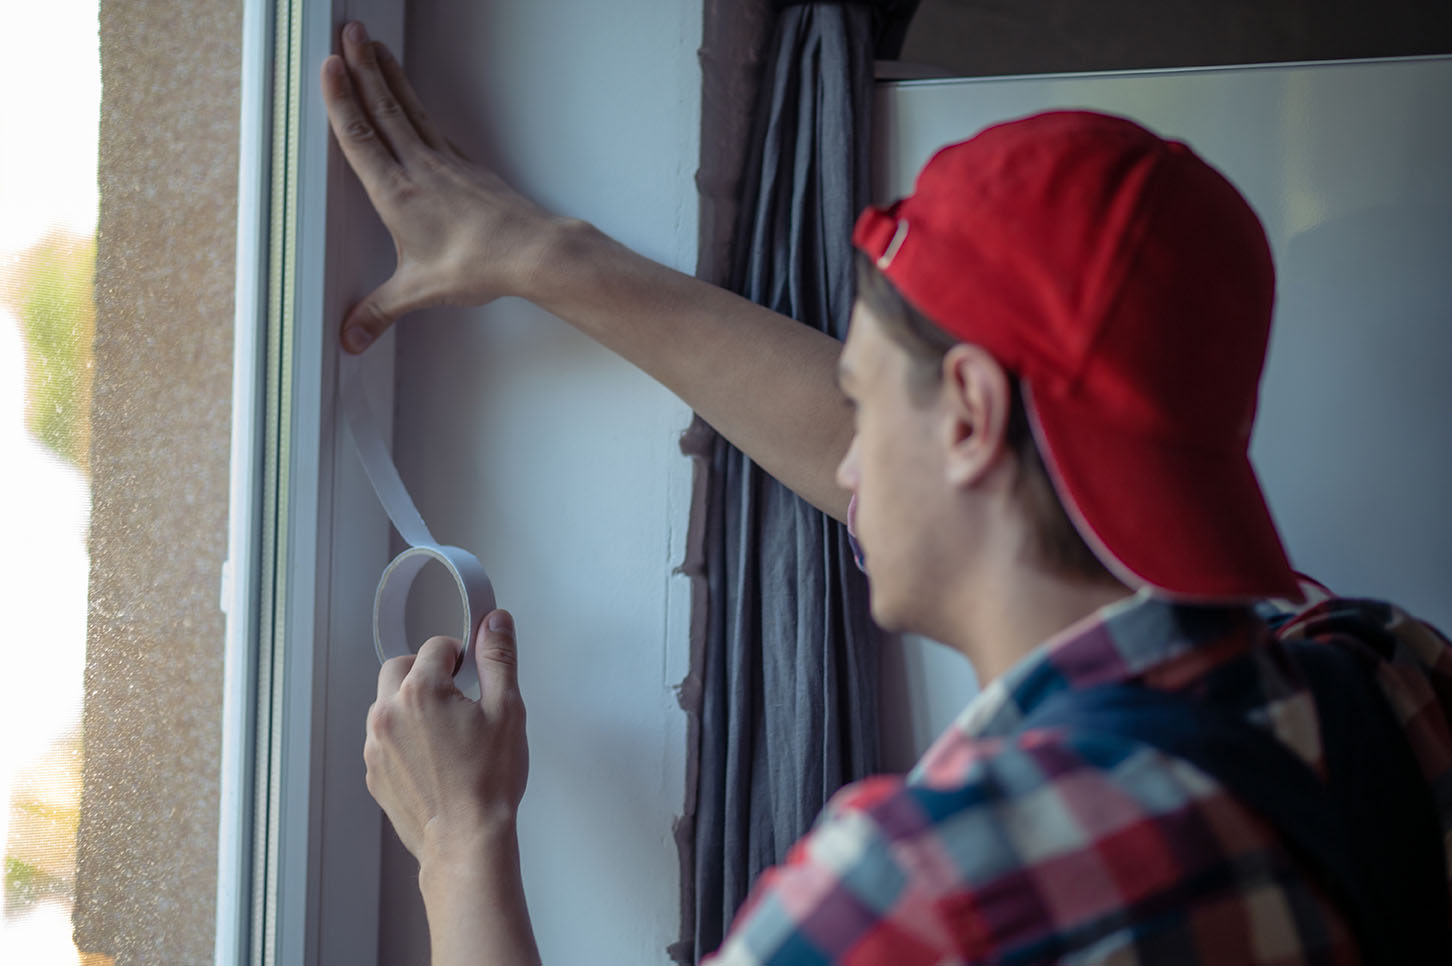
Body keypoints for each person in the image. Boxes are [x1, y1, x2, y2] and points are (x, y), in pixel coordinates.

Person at [322, 21, 1452, 965]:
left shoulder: (913, 902)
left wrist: (460, 845)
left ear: (969, 419)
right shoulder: (1388, 688)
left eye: (865, 401)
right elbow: (892, 453)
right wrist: (538, 253)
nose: (851, 461)